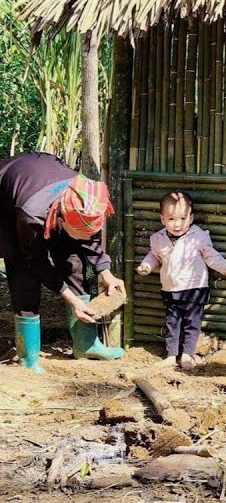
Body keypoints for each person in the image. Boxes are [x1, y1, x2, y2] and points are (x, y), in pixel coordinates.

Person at [0, 152, 126, 372]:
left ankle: (86, 345)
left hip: (46, 187)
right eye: (79, 231)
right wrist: (71, 299)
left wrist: (106, 272)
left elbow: (90, 235)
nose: (85, 236)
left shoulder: (87, 199)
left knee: (74, 263)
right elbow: (37, 263)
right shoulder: (30, 216)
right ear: (60, 218)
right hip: (9, 205)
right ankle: (28, 358)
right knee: (24, 276)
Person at [135, 191, 226, 370]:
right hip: (170, 289)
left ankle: (187, 354)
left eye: (182, 218)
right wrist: (146, 266)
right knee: (172, 322)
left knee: (192, 323)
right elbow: (154, 257)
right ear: (162, 219)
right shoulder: (158, 239)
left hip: (195, 288)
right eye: (171, 219)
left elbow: (211, 256)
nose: (177, 224)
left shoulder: (198, 237)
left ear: (190, 218)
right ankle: (171, 355)